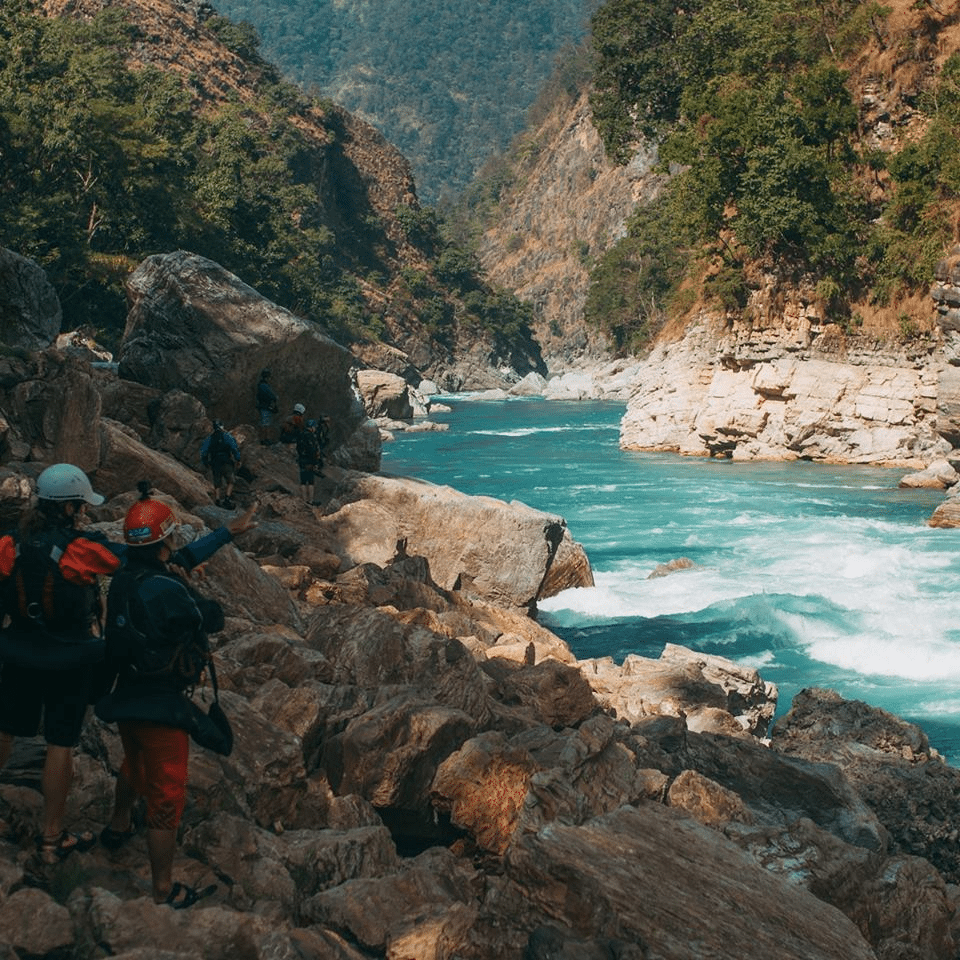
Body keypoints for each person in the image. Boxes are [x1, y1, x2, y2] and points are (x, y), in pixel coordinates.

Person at [96, 485, 256, 909]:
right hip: (161, 701)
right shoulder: (168, 588)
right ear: (165, 539)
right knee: (167, 794)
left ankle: (117, 825)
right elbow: (212, 617)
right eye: (172, 538)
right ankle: (163, 889)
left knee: (134, 762)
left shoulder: (126, 573)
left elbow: (181, 561)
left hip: (126, 692)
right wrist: (193, 588)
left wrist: (227, 533)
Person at [0, 463, 123, 864]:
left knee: (5, 731)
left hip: (17, 651)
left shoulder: (9, 543)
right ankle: (52, 838)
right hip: (70, 658)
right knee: (60, 743)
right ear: (70, 509)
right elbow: (127, 560)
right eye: (81, 507)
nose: (84, 513)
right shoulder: (82, 547)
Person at [200, 420, 241, 508]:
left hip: (215, 462)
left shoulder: (209, 438)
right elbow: (234, 448)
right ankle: (227, 498)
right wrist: (238, 459)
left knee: (217, 481)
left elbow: (204, 451)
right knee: (231, 481)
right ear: (222, 426)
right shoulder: (227, 436)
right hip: (226, 461)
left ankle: (218, 500)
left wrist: (205, 462)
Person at [295, 419, 322, 504]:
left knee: (303, 481)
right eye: (314, 427)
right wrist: (316, 462)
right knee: (310, 481)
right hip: (309, 461)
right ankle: (310, 501)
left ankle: (304, 500)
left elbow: (298, 448)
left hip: (301, 460)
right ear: (312, 427)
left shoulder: (301, 435)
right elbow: (313, 450)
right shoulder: (311, 436)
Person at [255, 368, 278, 446]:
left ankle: (263, 439)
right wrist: (274, 398)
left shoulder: (261, 385)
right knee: (266, 423)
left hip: (263, 406)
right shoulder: (264, 385)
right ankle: (265, 439)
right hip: (265, 406)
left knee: (264, 423)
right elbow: (271, 395)